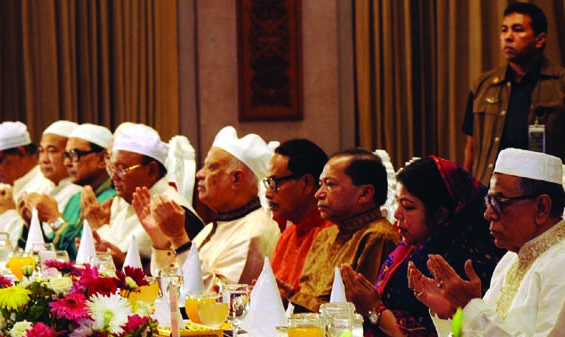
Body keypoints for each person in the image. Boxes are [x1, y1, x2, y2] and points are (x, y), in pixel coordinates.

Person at [409, 149, 565, 337]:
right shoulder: (510, 260)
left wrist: (471, 306)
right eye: (489, 200)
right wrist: (453, 313)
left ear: (542, 208)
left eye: (499, 201)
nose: (488, 213)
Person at [341, 156, 504, 337]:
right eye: (397, 204)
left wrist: (374, 309)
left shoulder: (462, 264)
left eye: (408, 207)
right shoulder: (407, 251)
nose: (397, 214)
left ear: (441, 214)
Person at [462, 2, 565, 196]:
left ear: (539, 39)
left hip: (546, 201)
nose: (508, 37)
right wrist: (466, 198)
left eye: (517, 30)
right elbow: (471, 149)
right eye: (504, 30)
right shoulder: (482, 87)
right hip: (490, 197)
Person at [145, 126, 279, 288]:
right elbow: (170, 289)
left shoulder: (256, 232)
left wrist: (180, 239)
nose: (199, 174)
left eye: (211, 167)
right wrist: (160, 244)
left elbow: (220, 301)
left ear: (237, 179)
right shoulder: (211, 228)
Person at [290, 148, 400, 313]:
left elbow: (355, 312)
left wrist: (293, 298)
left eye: (330, 184)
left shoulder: (377, 237)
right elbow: (309, 295)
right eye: (321, 184)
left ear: (365, 193)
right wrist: (289, 297)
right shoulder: (325, 235)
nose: (318, 194)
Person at [93, 123, 203, 269]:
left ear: (152, 171)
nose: (113, 177)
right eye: (112, 169)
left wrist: (122, 263)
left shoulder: (173, 211)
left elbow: (181, 276)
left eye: (121, 169)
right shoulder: (126, 202)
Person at [40, 123, 117, 260]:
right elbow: (54, 249)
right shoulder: (76, 198)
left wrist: (54, 219)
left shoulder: (112, 199)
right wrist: (32, 222)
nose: (67, 163)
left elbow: (83, 255)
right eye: (66, 156)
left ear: (102, 159)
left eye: (74, 155)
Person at [265, 139, 331, 298]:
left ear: (307, 183)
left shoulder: (330, 235)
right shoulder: (288, 235)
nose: (267, 193)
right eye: (268, 183)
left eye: (275, 183)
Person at [17, 120, 82, 249]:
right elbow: (49, 246)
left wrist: (53, 218)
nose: (44, 159)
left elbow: (74, 248)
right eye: (41, 151)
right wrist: (31, 224)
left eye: (52, 151)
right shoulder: (43, 187)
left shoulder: (80, 191)